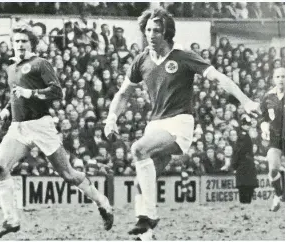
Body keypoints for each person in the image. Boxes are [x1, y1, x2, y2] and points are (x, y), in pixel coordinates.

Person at [104, 8, 260, 241]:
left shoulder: (182, 57)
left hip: (180, 122)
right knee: (143, 181)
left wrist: (245, 101)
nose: (151, 34)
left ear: (167, 32)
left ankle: (147, 217)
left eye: (157, 30)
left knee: (138, 149)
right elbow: (123, 93)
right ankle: (146, 235)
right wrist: (111, 118)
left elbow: (218, 77)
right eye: (148, 30)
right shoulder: (141, 61)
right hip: (155, 124)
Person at [0, 24, 113, 240]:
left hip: (41, 126)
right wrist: (5, 110)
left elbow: (57, 91)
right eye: (16, 41)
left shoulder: (40, 64)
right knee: (0, 167)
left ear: (31, 43)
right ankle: (11, 219)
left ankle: (101, 201)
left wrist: (32, 93)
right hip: (18, 127)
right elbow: (15, 94)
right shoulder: (11, 67)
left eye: (24, 41)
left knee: (68, 175)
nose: (19, 45)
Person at [260, 67, 285, 211]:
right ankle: (278, 195)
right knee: (273, 169)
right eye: (278, 77)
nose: (281, 79)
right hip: (275, 138)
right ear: (274, 78)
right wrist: (263, 125)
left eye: (283, 76)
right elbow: (262, 117)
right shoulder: (268, 97)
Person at [231, 114, 258, 204]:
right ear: (242, 125)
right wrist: (235, 165)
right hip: (244, 164)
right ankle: (245, 203)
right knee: (246, 186)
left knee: (246, 186)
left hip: (245, 163)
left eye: (248, 124)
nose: (248, 126)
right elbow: (238, 151)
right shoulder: (243, 135)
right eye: (246, 124)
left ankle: (245, 203)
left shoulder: (244, 135)